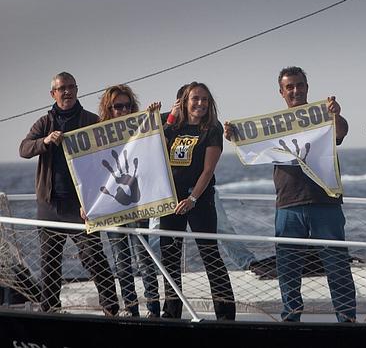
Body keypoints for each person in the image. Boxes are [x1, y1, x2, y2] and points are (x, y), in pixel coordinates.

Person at [224, 66, 356, 323]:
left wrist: (336, 115)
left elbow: (340, 132)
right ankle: (291, 317)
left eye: (300, 85)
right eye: (290, 87)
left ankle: (347, 318)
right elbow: (250, 144)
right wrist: (234, 136)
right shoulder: (272, 126)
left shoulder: (324, 116)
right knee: (288, 268)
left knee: (337, 264)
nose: (295, 90)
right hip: (288, 203)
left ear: (307, 87)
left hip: (325, 200)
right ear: (281, 91)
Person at [19, 72, 119, 315]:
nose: (67, 92)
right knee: (50, 264)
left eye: (71, 87)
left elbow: (112, 153)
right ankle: (50, 312)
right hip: (50, 207)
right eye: (61, 88)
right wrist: (45, 141)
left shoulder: (90, 120)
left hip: (81, 207)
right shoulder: (45, 122)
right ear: (53, 93)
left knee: (93, 258)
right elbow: (24, 149)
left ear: (77, 89)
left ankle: (112, 309)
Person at [160, 81, 235, 320]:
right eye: (195, 98)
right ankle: (171, 312)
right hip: (171, 202)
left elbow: (208, 170)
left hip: (199, 201)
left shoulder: (211, 129)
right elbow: (151, 147)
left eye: (204, 99)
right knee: (169, 257)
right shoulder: (171, 126)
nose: (200, 103)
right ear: (184, 101)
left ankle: (225, 314)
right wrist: (170, 117)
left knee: (209, 254)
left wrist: (193, 198)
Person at [95, 84, 162, 318]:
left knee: (145, 259)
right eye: (117, 106)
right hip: (113, 207)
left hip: (138, 204)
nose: (122, 111)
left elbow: (158, 143)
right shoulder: (98, 134)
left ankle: (154, 310)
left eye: (127, 106)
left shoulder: (141, 128)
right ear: (108, 108)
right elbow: (90, 174)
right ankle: (131, 310)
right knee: (122, 263)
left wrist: (152, 115)